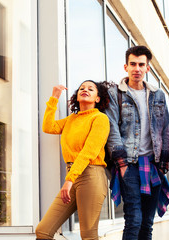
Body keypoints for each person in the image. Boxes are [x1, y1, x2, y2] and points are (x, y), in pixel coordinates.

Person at [105, 45, 169, 240]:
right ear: (126, 67)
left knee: (147, 224)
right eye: (133, 64)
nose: (137, 68)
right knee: (134, 219)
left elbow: (165, 128)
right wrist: (122, 164)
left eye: (141, 64)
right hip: (129, 164)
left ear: (147, 68)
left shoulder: (158, 95)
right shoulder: (115, 93)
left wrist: (163, 162)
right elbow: (112, 128)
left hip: (153, 165)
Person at [35, 80, 111, 240]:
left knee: (88, 236)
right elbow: (48, 127)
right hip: (73, 176)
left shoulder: (100, 118)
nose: (85, 90)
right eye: (82, 88)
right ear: (76, 97)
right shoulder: (71, 120)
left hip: (91, 175)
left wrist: (69, 179)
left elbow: (89, 151)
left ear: (98, 99)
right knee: (43, 231)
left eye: (91, 89)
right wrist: (54, 98)